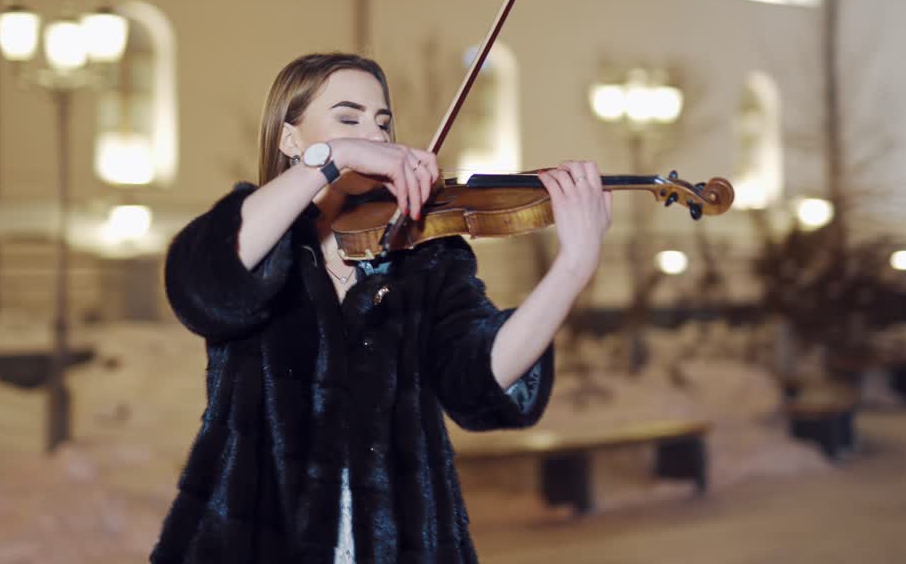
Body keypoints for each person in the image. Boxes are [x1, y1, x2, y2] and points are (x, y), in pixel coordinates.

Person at [150, 52, 613, 563]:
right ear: (290, 139)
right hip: (252, 540)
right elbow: (203, 286)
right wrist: (332, 157)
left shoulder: (423, 251)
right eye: (348, 119)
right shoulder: (264, 235)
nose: (373, 134)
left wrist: (573, 269)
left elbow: (477, 381)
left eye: (382, 121)